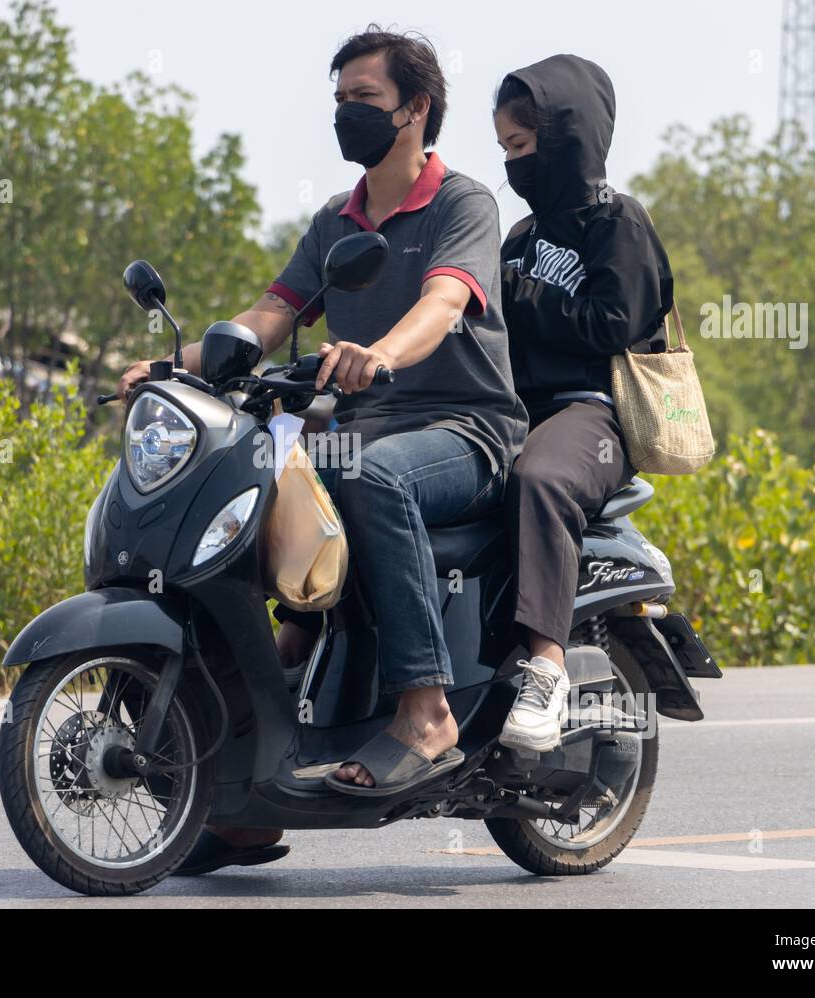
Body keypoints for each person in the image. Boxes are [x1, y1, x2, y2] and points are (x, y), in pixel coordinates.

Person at [117, 26, 527, 870]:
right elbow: (269, 321)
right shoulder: (334, 220)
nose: (347, 117)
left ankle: (424, 709)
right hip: (360, 428)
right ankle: (251, 783)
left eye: (364, 102)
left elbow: (444, 304)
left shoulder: (463, 205)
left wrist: (378, 353)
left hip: (463, 429)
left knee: (369, 476)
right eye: (339, 103)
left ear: (415, 110)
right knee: (246, 482)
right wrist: (172, 365)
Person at [490, 55, 673, 752]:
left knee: (541, 477)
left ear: (565, 136)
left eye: (523, 145)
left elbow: (613, 324)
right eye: (505, 149)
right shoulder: (517, 238)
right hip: (515, 412)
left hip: (595, 413)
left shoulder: (617, 223)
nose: (514, 163)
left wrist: (528, 302)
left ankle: (546, 666)